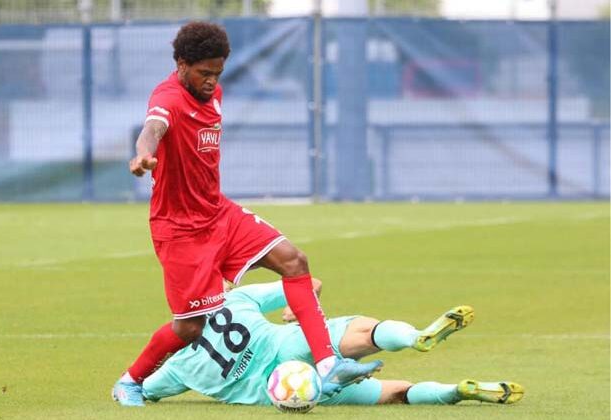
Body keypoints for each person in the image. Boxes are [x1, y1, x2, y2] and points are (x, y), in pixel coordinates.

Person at [113, 21, 374, 407]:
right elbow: (153, 126)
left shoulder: (213, 91)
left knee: (294, 261)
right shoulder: (166, 97)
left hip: (218, 213)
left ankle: (327, 364)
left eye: (218, 72)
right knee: (190, 327)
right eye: (204, 72)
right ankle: (130, 382)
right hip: (181, 230)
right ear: (181, 63)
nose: (211, 81)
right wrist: (143, 154)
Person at [140, 280, 525, 407]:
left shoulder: (179, 366)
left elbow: (146, 392)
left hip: (289, 392)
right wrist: (299, 309)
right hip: (291, 344)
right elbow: (309, 285)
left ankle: (456, 392)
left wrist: (141, 383)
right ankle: (413, 336)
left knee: (394, 394)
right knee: (359, 331)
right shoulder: (235, 298)